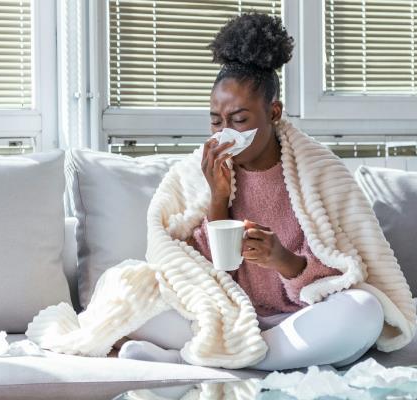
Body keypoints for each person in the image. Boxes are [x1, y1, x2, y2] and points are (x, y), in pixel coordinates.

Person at [118, 12, 384, 371]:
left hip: (298, 319)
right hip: (224, 314)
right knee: (124, 291)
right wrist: (216, 198)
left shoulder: (318, 171)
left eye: (240, 120)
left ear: (273, 111)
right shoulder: (198, 171)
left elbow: (346, 270)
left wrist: (284, 260)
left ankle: (204, 358)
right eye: (216, 120)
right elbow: (198, 274)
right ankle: (253, 356)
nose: (225, 132)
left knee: (365, 312)